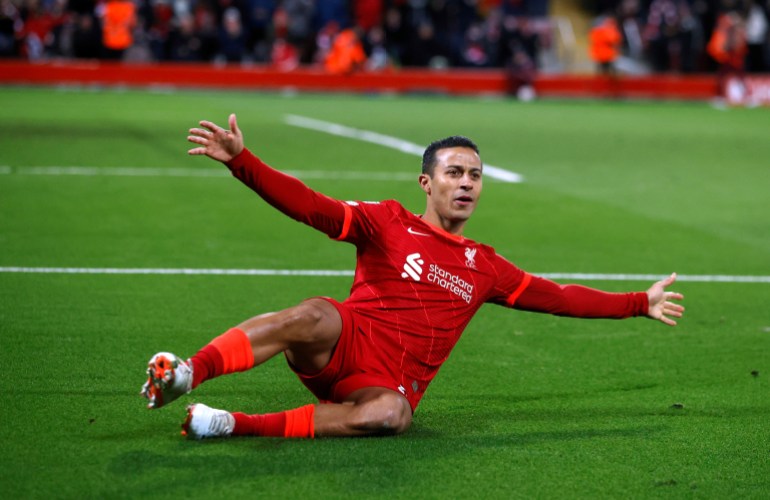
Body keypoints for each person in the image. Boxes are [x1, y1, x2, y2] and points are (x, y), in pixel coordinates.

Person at [141, 114, 685, 439]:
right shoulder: (386, 220)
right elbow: (312, 206)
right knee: (313, 312)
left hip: (381, 384)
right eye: (454, 172)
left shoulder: (487, 267)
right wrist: (244, 162)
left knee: (392, 417)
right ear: (427, 182)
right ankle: (191, 373)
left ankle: (230, 424)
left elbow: (560, 297)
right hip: (342, 342)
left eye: (475, 175)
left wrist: (639, 301)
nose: (466, 183)